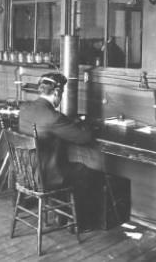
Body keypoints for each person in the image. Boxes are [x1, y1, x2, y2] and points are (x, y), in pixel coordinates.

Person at [18, 72, 97, 230]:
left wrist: (67, 122)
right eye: (61, 93)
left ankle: (61, 215)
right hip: (45, 176)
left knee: (65, 166)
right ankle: (77, 224)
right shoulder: (53, 118)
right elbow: (84, 138)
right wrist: (87, 125)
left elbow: (53, 123)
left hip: (25, 173)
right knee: (84, 172)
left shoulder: (25, 108)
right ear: (56, 92)